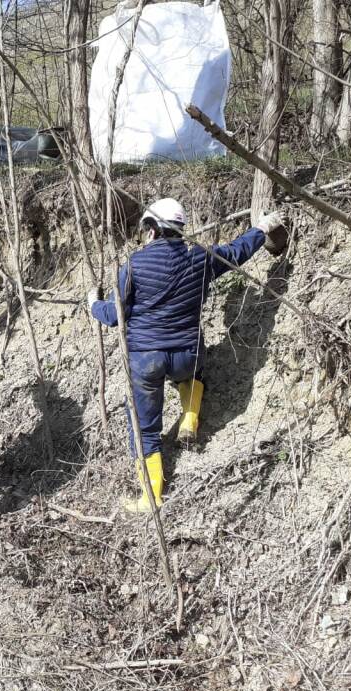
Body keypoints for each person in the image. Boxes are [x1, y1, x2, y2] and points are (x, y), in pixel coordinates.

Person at [88, 198, 284, 513]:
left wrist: (92, 305)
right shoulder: (200, 258)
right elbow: (236, 252)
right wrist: (262, 227)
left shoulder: (135, 265)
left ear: (151, 229)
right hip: (187, 355)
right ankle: (190, 419)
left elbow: (114, 316)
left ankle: (150, 498)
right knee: (193, 374)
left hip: (145, 359)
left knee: (144, 426)